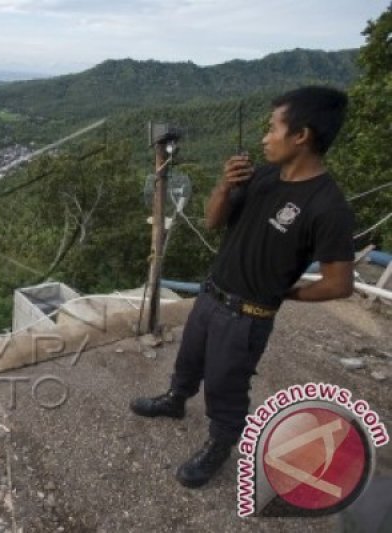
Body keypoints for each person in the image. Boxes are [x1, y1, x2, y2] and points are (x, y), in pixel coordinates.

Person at [130, 86, 355, 488]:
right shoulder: (262, 175)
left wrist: (286, 293)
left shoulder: (328, 205)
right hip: (212, 293)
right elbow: (213, 222)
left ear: (301, 135)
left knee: (226, 385)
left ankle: (220, 442)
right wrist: (224, 185)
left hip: (247, 316)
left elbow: (339, 284)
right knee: (188, 360)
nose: (265, 137)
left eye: (273, 128)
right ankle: (175, 400)